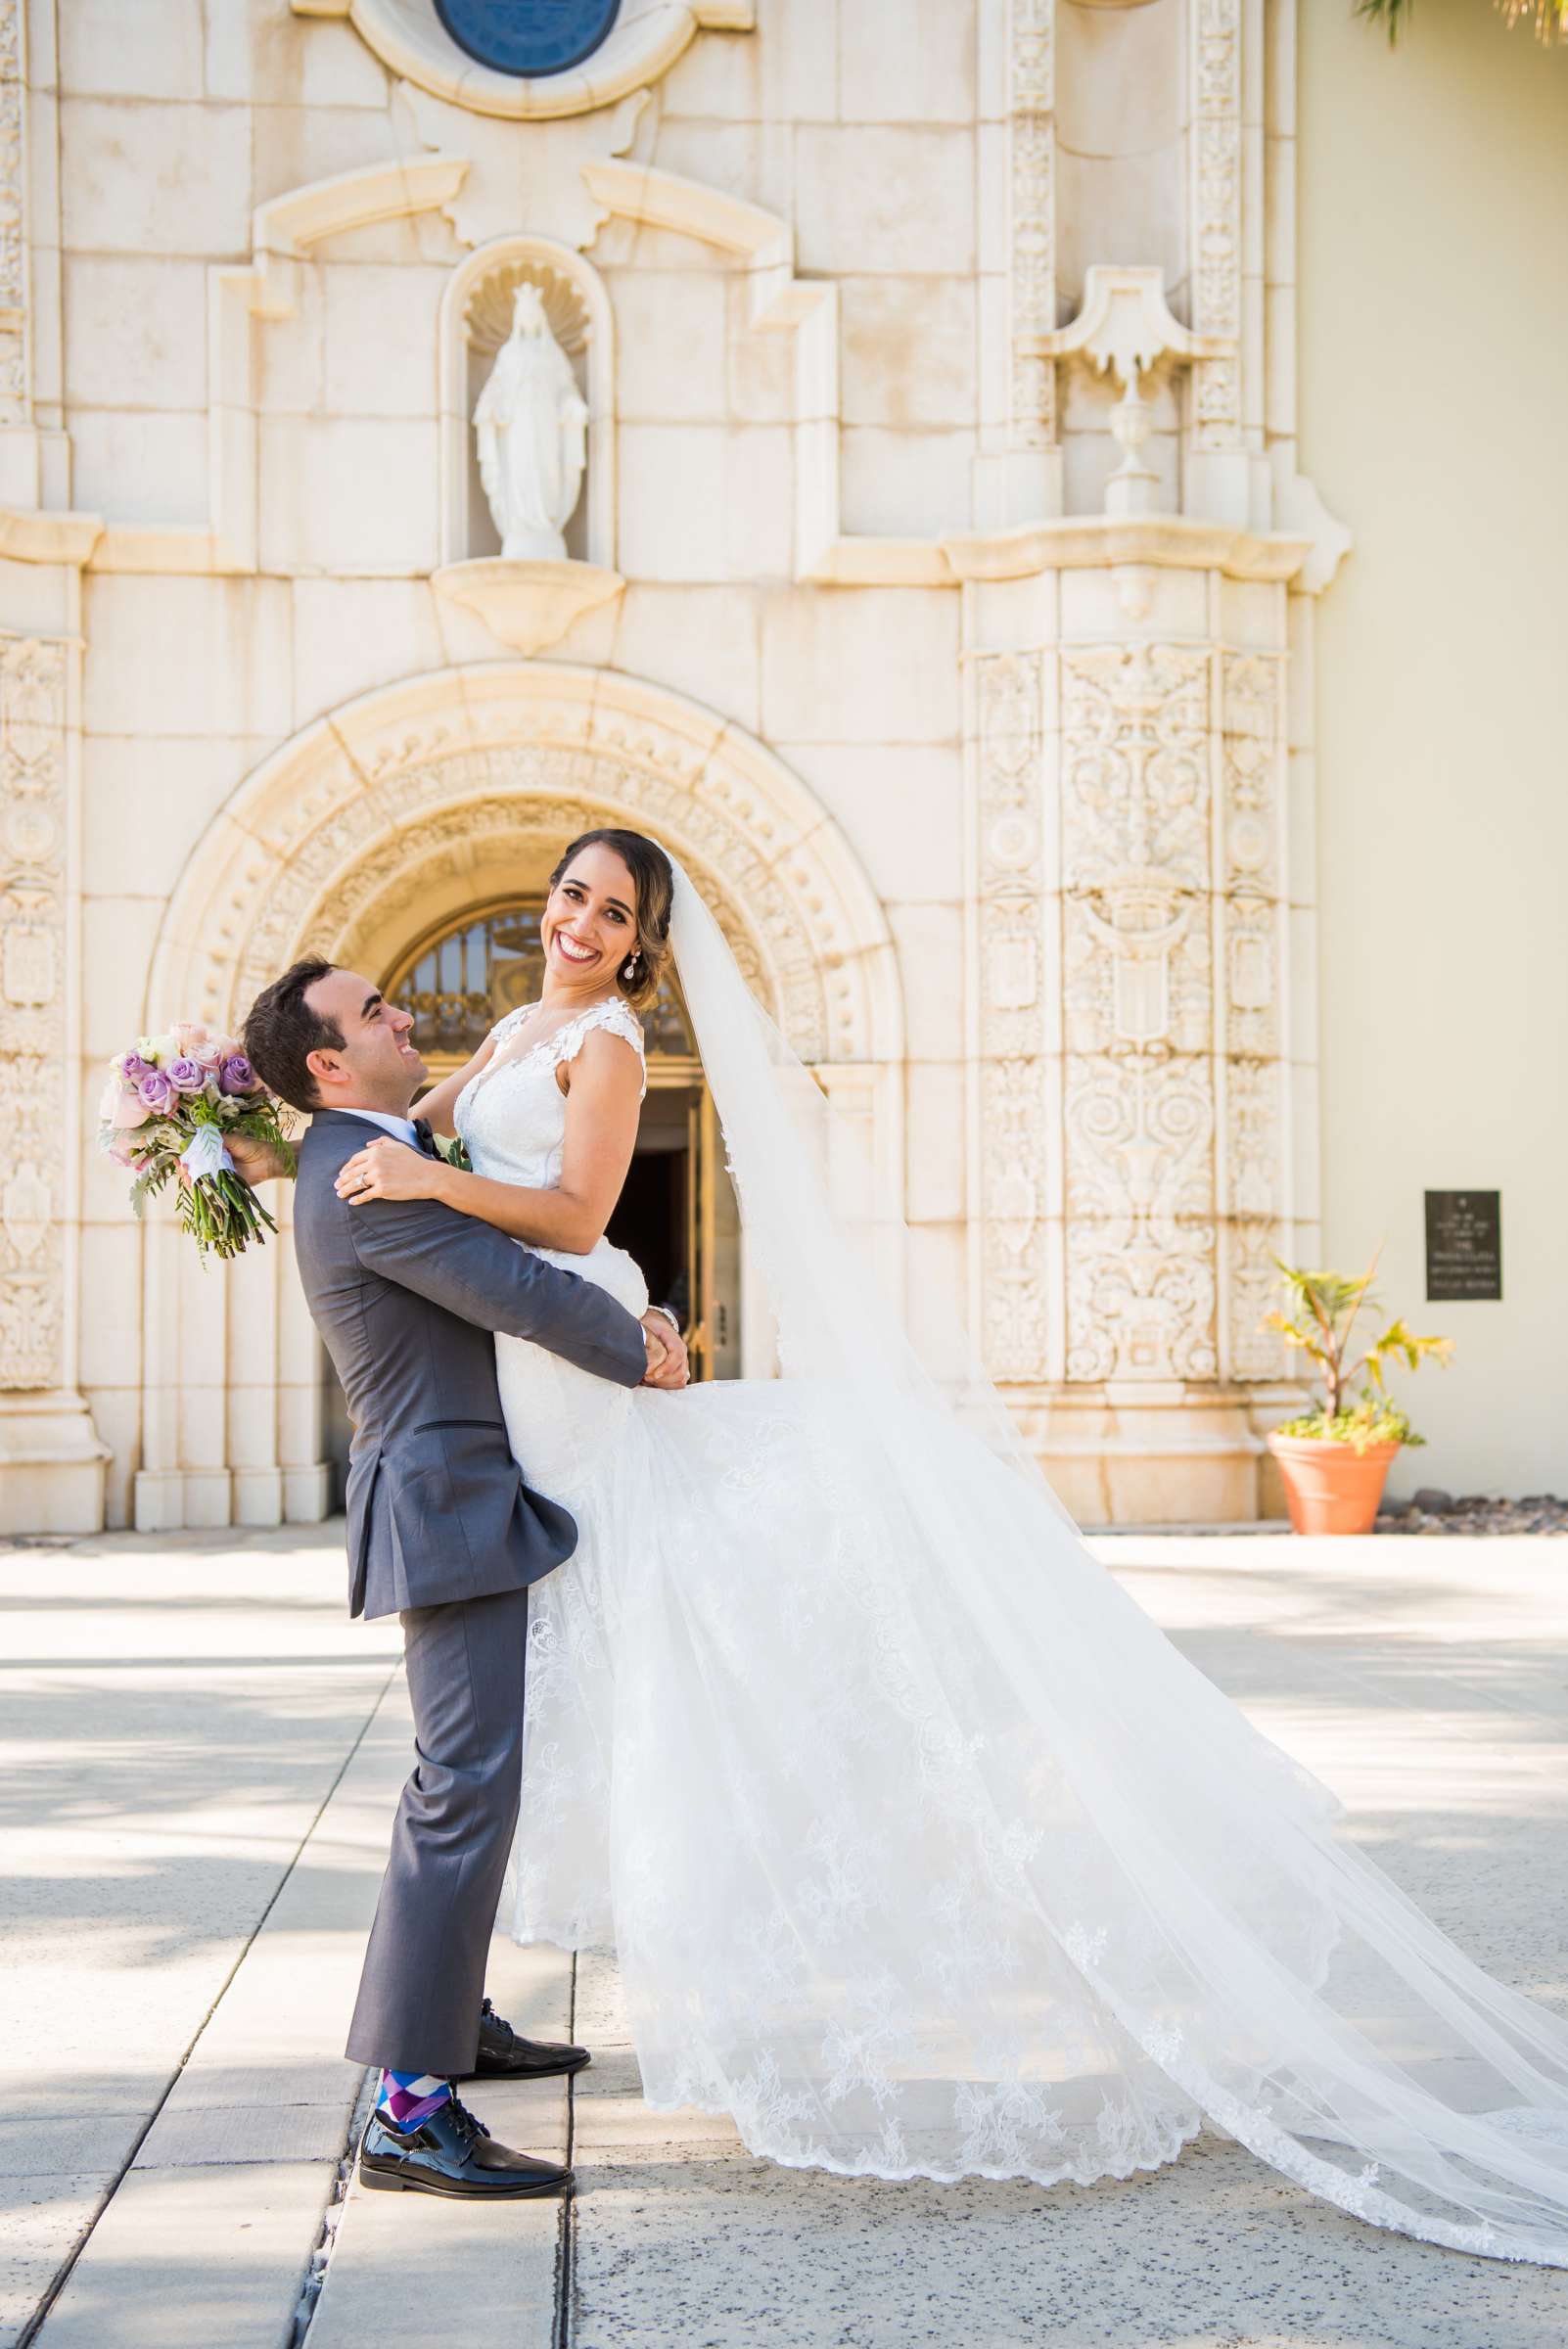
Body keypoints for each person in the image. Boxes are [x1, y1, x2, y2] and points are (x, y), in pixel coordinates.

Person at [299, 827, 1568, 2265]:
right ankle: (442, 2027)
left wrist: (450, 1197)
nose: (578, 920)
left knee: (650, 1634)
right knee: (562, 1694)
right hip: (530, 1396)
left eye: (612, 910)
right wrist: (229, 1116)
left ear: (646, 941)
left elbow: (575, 1212)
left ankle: (463, 2024)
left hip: (568, 1365)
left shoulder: (603, 1044)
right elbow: (393, 1134)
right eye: (570, 895)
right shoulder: (516, 1028)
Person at [238, 955, 688, 2203]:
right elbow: (511, 1286)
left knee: (470, 1777)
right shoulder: (363, 1178)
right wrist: (640, 1343)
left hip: (457, 1496)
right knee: (462, 1785)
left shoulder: (368, 1150)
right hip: (449, 1504)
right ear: (329, 1065)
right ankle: (409, 2109)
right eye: (374, 1012)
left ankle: (455, 2026)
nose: (399, 1014)